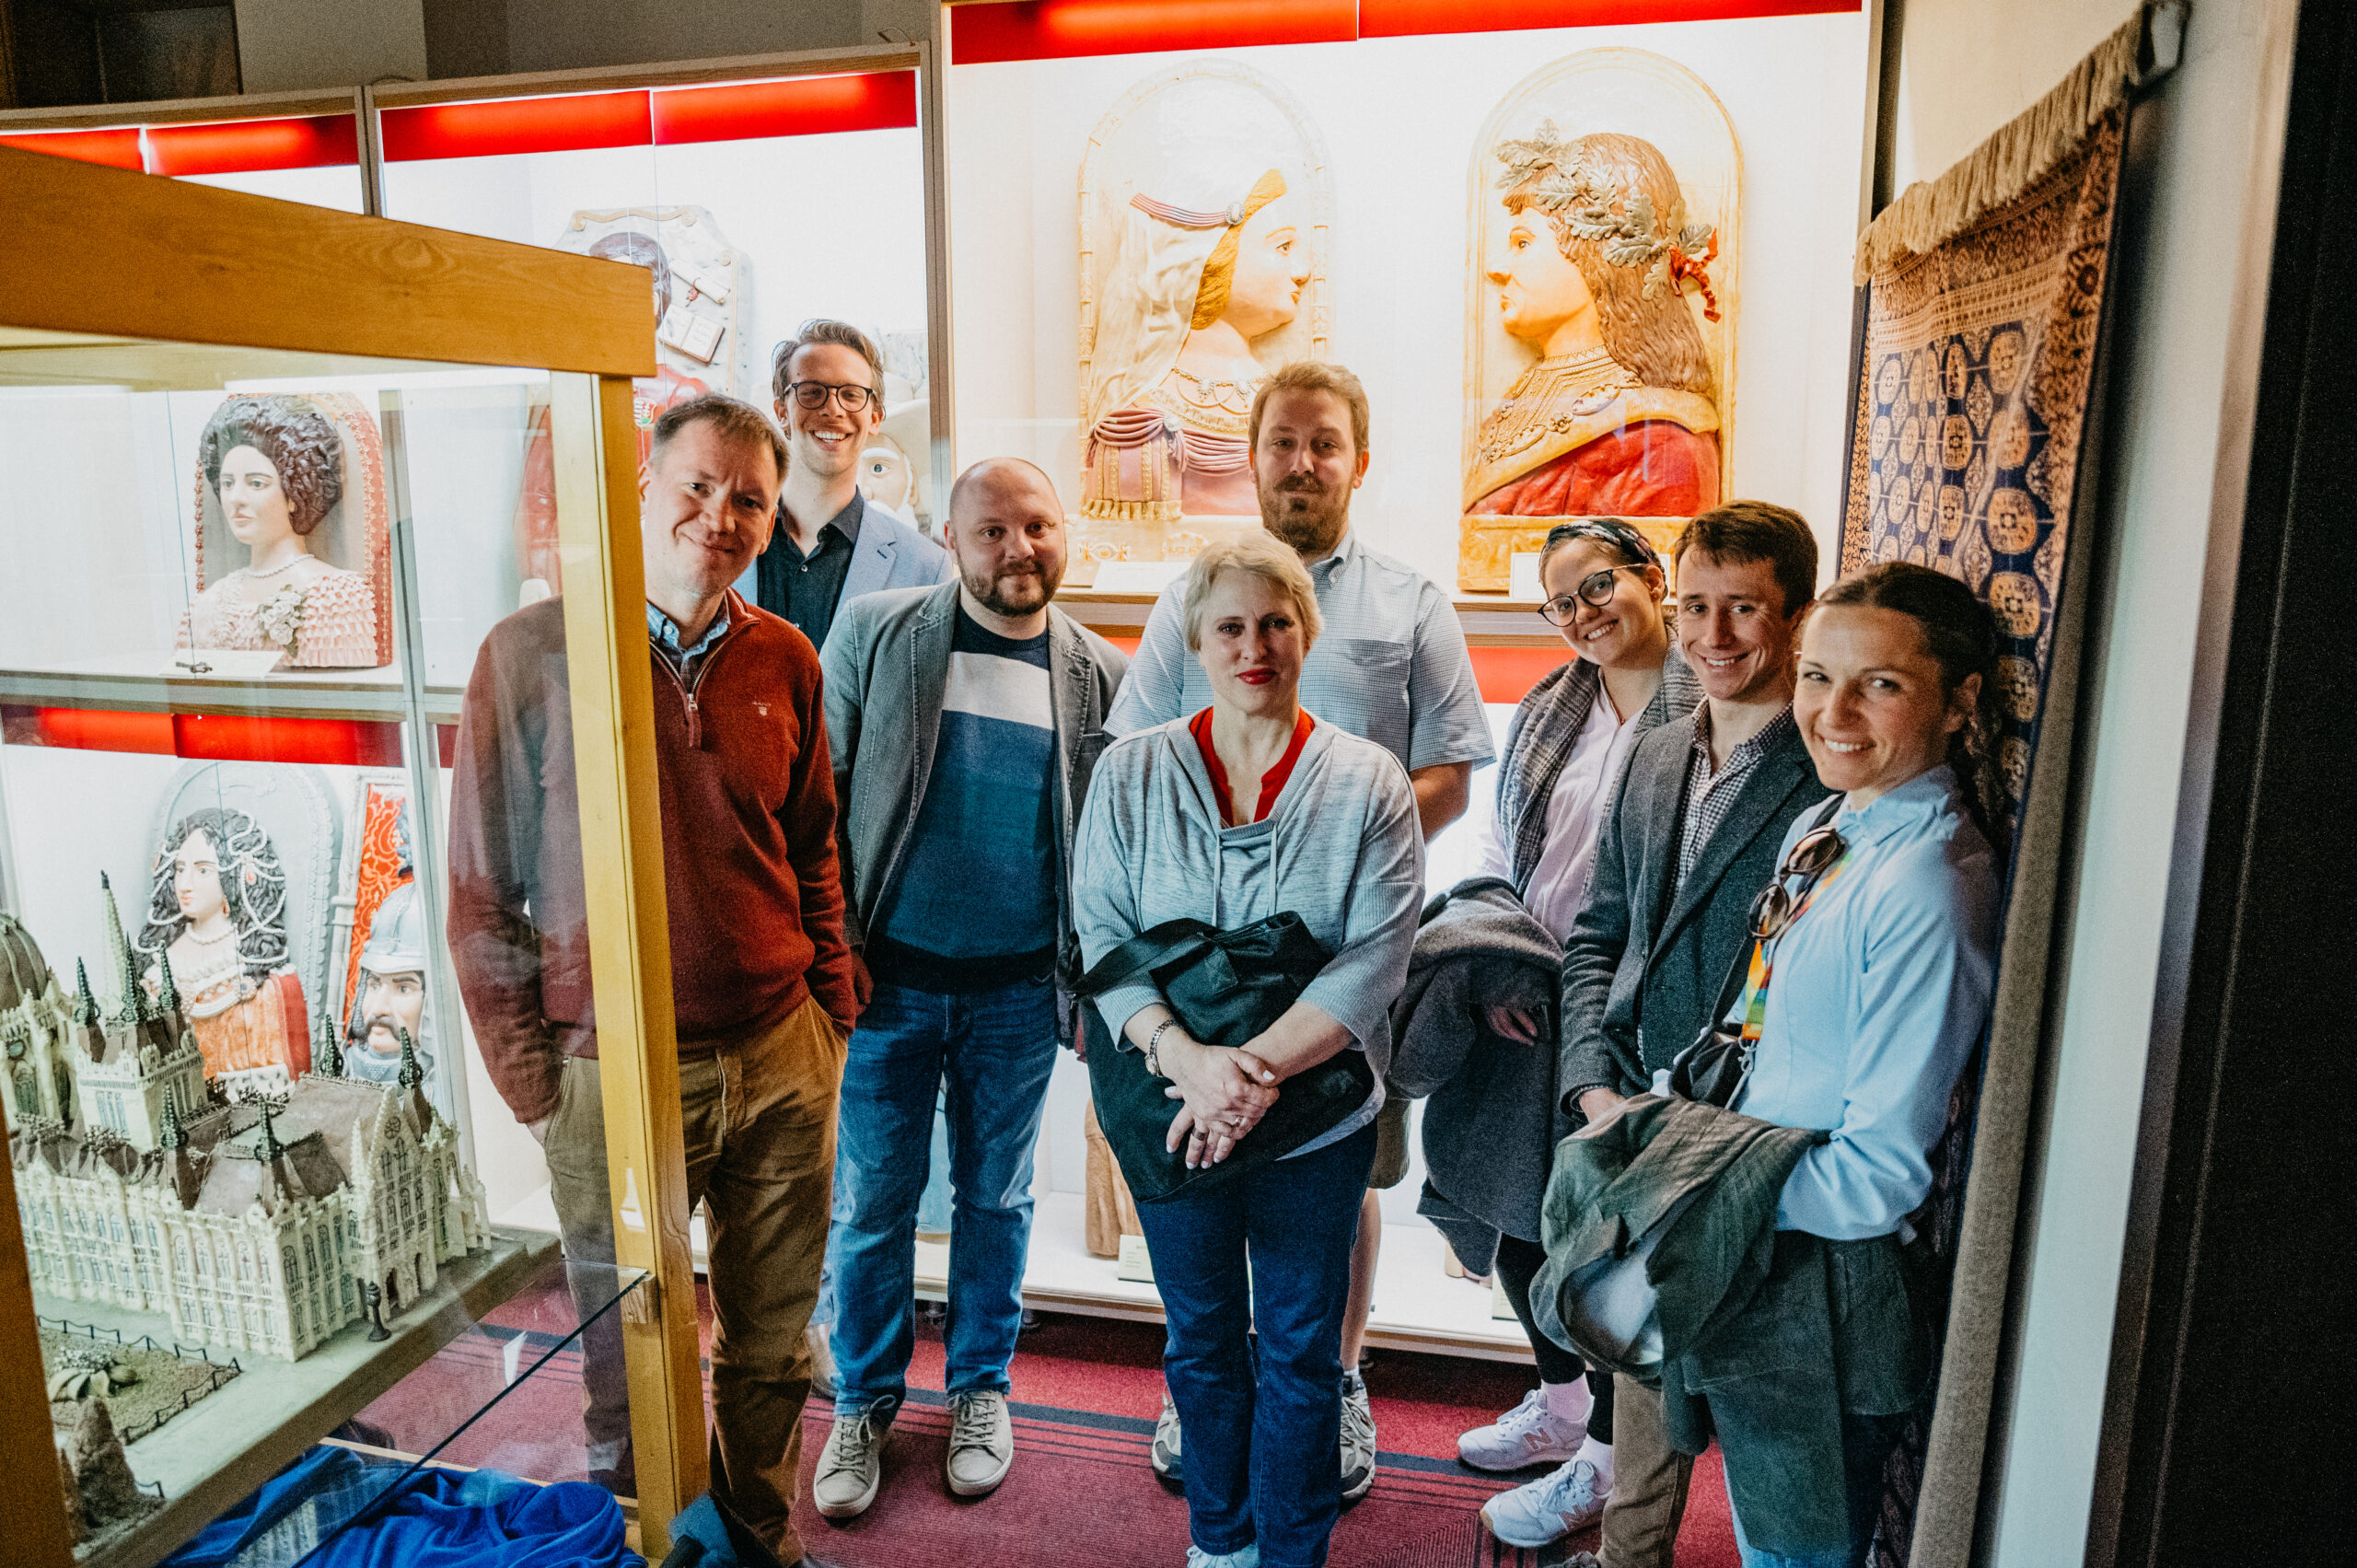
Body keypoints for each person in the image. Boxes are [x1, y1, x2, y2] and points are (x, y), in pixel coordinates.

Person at [447, 394, 855, 1568]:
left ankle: (758, 1542)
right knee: (634, 1349)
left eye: (748, 500)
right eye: (697, 486)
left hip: (780, 1052)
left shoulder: (784, 658)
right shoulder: (530, 652)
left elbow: (815, 844)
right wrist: (541, 1085)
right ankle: (651, 1550)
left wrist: (831, 1009)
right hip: (610, 1075)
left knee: (771, 1345)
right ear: (640, 486)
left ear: (771, 520)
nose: (718, 517)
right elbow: (481, 891)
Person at [1109, 360, 1492, 1498]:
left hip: (1343, 956)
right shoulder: (1193, 598)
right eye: (1282, 441)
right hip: (1197, 969)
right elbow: (1137, 756)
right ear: (1254, 454)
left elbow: (1447, 778)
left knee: (1337, 1175)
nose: (1301, 462)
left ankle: (1337, 1376)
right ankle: (1206, 1386)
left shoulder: (1411, 602)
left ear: (1357, 461)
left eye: (1324, 443)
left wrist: (1330, 840)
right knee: (1201, 1164)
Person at [1074, 532, 1424, 1568]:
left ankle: (1291, 1550)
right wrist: (1188, 1059)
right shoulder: (1133, 770)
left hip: (1313, 1119)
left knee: (1303, 1352)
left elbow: (1371, 962)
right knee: (1201, 1342)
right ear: (1194, 640)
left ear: (1307, 633)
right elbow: (1100, 929)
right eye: (1229, 625)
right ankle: (1219, 1543)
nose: (1253, 645)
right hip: (1169, 1106)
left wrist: (1250, 1073)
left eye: (1276, 622)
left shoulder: (1369, 781)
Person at [810, 458, 1129, 1516]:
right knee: (872, 1203)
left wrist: (1086, 986)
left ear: (1063, 532)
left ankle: (981, 1387)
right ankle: (862, 1398)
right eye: (990, 530)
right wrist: (835, 946)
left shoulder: (1097, 672)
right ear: (950, 538)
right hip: (885, 983)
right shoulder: (878, 634)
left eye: (1036, 526)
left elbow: (1103, 852)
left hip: (1014, 996)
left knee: (995, 1197)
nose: (1016, 549)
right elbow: (826, 799)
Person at [1672, 561, 2002, 1568]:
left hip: (1819, 1273)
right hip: (1753, 1222)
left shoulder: (1927, 885)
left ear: (1960, 702)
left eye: (1881, 684)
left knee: (1797, 1550)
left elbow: (1878, 1175)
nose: (1834, 711)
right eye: (1816, 676)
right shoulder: (1828, 826)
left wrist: (1704, 1199)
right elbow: (1756, 1026)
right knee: (1755, 1524)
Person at [1538, 500, 1827, 1562]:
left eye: (1743, 608)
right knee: (1637, 1372)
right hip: (1631, 1107)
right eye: (1698, 604)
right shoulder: (1656, 753)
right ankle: (1627, 1554)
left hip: (1743, 1135)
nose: (1712, 634)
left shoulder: (1826, 769)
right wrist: (1589, 1083)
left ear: (1793, 617)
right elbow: (1598, 933)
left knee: (1760, 1411)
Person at [1440, 517, 1701, 1540]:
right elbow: (1502, 838)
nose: (1583, 613)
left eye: (1598, 585)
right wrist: (1500, 954)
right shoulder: (1556, 703)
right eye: (1562, 601)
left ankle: (1603, 1455)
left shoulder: (1702, 705)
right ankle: (1558, 1406)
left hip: (1633, 1007)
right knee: (1514, 1223)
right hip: (1534, 987)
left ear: (1650, 576)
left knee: (1602, 1243)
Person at [757, 319, 954, 654]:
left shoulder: (925, 568)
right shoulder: (725, 542)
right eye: (811, 392)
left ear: (875, 417)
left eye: (851, 395)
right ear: (782, 411)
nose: (833, 409)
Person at [180, 394, 378, 668]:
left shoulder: (334, 598)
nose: (236, 498)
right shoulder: (208, 605)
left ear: (294, 494)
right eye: (227, 483)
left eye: (257, 483)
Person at [134, 807, 308, 1088]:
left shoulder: (256, 970)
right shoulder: (157, 959)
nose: (185, 884)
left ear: (236, 874)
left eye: (203, 870)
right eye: (180, 869)